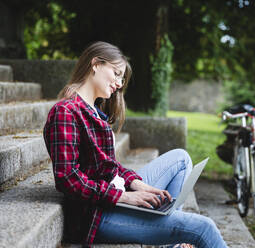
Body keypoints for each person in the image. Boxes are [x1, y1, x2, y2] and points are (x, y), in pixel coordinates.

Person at [43, 41, 227, 248]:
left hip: (114, 196)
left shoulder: (94, 111)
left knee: (181, 159)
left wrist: (138, 185)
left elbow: (109, 167)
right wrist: (125, 197)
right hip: (97, 215)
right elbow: (68, 179)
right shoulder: (66, 112)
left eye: (121, 78)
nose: (119, 83)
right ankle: (171, 234)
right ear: (95, 64)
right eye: (116, 73)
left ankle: (169, 237)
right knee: (204, 227)